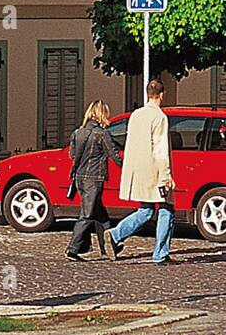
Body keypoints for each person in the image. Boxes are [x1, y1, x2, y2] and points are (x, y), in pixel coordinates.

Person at [104, 78, 175, 266]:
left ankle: (115, 234)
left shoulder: (136, 114)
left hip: (138, 169)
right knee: (166, 209)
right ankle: (160, 253)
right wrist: (166, 175)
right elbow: (160, 148)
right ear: (162, 95)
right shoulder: (159, 117)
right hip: (154, 170)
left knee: (145, 210)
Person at [66, 100, 123, 260]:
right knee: (87, 214)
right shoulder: (102, 134)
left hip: (79, 178)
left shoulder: (78, 132)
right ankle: (73, 249)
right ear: (101, 115)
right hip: (94, 178)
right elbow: (115, 156)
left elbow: (72, 154)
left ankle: (111, 246)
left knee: (100, 213)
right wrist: (128, 167)